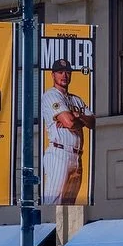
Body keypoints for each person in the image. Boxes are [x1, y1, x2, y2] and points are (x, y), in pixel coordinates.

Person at [40, 57, 95, 206]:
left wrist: (78, 116)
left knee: (70, 208)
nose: (64, 75)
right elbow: (70, 122)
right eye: (60, 72)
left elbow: (93, 122)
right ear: (53, 75)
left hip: (77, 157)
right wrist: (78, 119)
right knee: (53, 205)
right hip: (59, 154)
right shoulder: (51, 95)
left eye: (67, 72)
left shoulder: (76, 100)